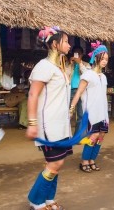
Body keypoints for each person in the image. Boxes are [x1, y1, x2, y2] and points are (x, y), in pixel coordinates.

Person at [25, 26, 71, 210]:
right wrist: (32, 124)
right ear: (54, 44)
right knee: (55, 163)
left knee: (56, 164)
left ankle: (48, 199)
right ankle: (36, 200)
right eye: (66, 41)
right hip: (48, 124)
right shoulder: (43, 67)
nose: (69, 45)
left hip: (61, 124)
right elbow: (33, 95)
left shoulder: (59, 68)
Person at [70, 41, 109, 172]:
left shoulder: (103, 77)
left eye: (106, 59)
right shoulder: (87, 74)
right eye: (102, 58)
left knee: (101, 136)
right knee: (92, 137)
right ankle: (84, 161)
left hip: (103, 112)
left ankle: (92, 159)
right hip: (92, 113)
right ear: (96, 58)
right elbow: (79, 92)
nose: (104, 61)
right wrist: (71, 108)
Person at [66, 46, 90, 135]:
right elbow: (65, 75)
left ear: (82, 54)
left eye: (79, 53)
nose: (77, 55)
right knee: (67, 114)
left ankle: (78, 136)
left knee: (81, 114)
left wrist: (80, 63)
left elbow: (87, 75)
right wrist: (70, 64)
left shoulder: (86, 65)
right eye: (75, 53)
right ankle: (67, 135)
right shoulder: (69, 64)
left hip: (82, 91)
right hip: (70, 91)